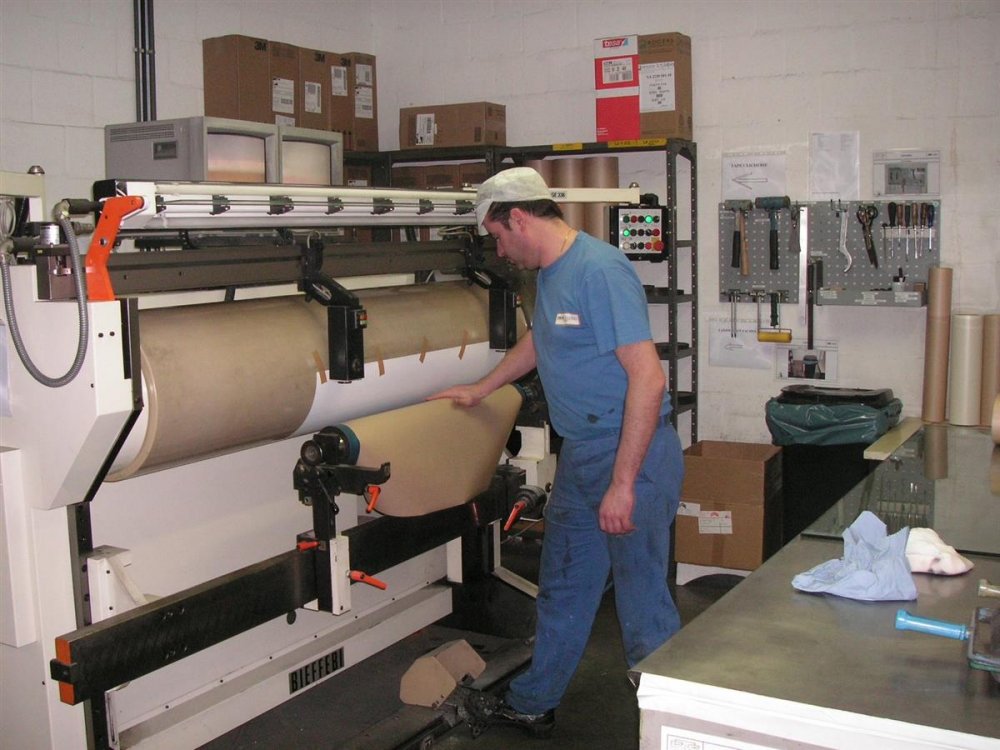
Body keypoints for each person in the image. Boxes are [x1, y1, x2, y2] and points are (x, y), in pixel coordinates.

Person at [428, 167, 684, 738]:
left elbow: (649, 380)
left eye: (498, 236)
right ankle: (533, 702)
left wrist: (623, 484)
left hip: (632, 455)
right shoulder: (551, 273)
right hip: (584, 457)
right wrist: (482, 388)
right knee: (564, 588)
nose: (499, 250)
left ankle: (673, 725)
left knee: (642, 604)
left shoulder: (600, 270)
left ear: (519, 219)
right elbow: (541, 339)